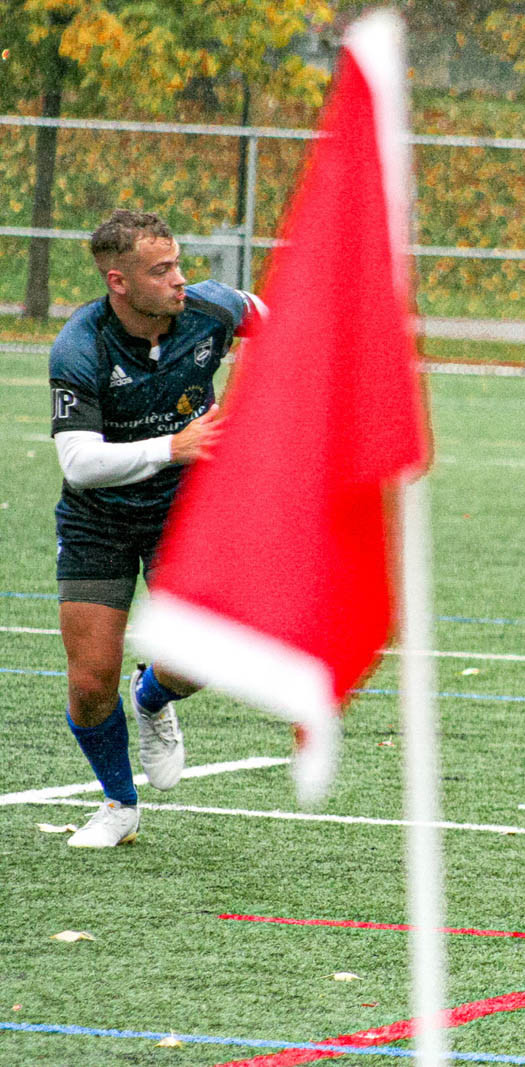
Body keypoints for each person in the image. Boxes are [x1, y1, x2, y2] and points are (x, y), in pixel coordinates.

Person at [49, 209, 263, 848]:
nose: (179, 280)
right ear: (118, 281)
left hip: (185, 511)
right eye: (161, 270)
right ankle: (119, 804)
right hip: (98, 518)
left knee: (193, 665)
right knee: (90, 684)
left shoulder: (212, 308)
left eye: (178, 264)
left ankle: (152, 697)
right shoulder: (80, 345)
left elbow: (279, 321)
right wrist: (173, 446)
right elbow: (79, 463)